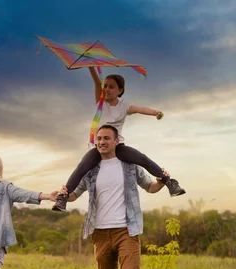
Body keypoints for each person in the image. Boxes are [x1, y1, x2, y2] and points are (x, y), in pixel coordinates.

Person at [60, 125, 167, 269]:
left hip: (126, 231)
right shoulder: (90, 168)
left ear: (116, 141)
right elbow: (75, 194)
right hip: (99, 234)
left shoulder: (129, 165)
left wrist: (162, 182)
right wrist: (63, 193)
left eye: (106, 138)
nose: (101, 142)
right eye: (99, 139)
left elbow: (150, 187)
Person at [53, 67, 185, 212]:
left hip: (118, 145)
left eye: (111, 87)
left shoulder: (124, 106)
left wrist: (155, 113)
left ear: (120, 90)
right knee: (82, 166)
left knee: (142, 158)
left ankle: (170, 183)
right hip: (99, 146)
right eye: (106, 86)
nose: (107, 89)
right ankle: (62, 198)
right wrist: (91, 66)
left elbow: (139, 109)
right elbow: (97, 82)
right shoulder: (100, 102)